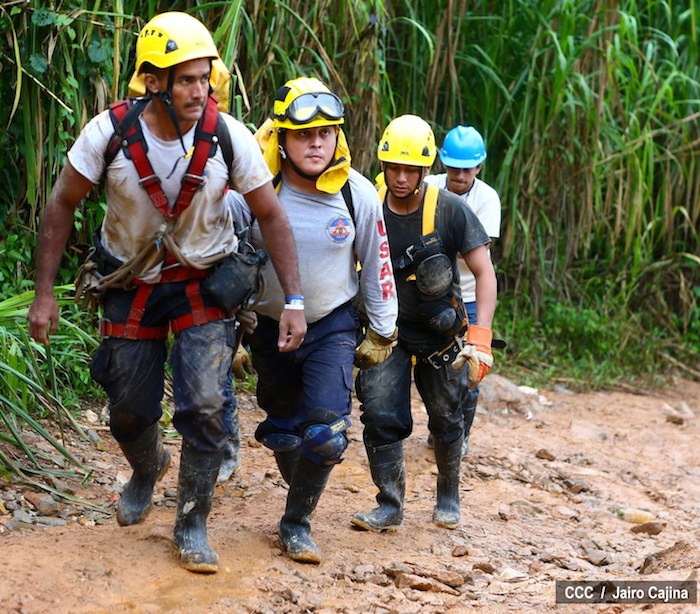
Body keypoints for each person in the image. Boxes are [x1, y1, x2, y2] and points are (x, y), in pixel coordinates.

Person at [27, 11, 306, 574]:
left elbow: (271, 215)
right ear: (153, 81)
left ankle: (192, 522)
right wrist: (44, 293)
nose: (200, 91)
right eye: (186, 81)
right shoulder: (109, 133)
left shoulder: (227, 136)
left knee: (204, 405)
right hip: (128, 280)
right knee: (128, 411)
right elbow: (61, 203)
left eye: (205, 79)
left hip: (206, 283)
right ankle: (147, 465)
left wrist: (294, 301)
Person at [227, 77, 398, 563]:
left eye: (326, 133)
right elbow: (223, 259)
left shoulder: (356, 194)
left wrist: (383, 330)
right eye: (304, 135)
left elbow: (377, 262)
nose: (317, 144)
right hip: (268, 328)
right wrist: (230, 332)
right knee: (285, 431)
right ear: (281, 138)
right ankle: (298, 492)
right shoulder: (253, 192)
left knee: (326, 435)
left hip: (331, 325)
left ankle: (295, 523)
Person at [352, 114, 497, 533]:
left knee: (447, 415)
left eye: (410, 170)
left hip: (439, 333)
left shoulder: (449, 209)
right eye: (393, 168)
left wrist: (480, 338)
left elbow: (485, 273)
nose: (400, 178)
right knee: (378, 412)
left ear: (424, 169)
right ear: (382, 165)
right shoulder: (368, 202)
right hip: (386, 331)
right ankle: (389, 503)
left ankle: (448, 494)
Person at [424, 125, 501, 455]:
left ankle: (459, 435)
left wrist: (431, 244)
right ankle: (439, 427)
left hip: (468, 295)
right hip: (428, 295)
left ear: (479, 167)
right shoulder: (428, 186)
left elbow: (477, 252)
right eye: (453, 167)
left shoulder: (487, 199)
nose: (459, 175)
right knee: (430, 368)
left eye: (466, 169)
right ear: (443, 162)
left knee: (470, 369)